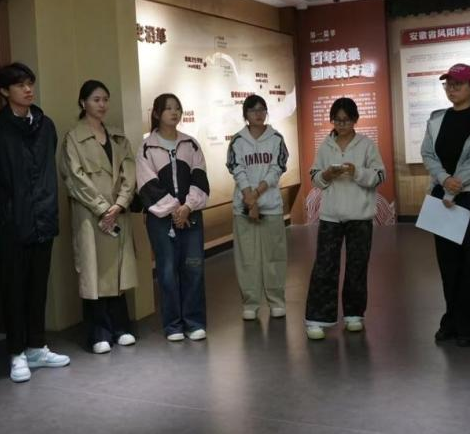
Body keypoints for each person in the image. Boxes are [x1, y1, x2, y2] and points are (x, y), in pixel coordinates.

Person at [0, 62, 69, 383]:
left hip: (44, 219)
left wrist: (45, 206)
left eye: (30, 83)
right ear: (4, 91)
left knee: (39, 287)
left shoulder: (45, 125)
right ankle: (16, 352)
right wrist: (8, 210)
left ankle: (36, 346)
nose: (28, 89)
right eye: (20, 85)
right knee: (13, 289)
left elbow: (47, 170)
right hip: (12, 224)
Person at [59, 80, 139, 354]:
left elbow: (130, 173)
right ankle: (99, 332)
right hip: (91, 216)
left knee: (117, 271)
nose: (102, 104)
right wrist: (103, 209)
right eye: (96, 99)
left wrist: (119, 205)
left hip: (117, 214)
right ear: (83, 103)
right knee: (93, 273)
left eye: (105, 99)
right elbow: (74, 177)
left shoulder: (118, 137)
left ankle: (121, 327)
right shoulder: (73, 138)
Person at [420, 63, 470, 347]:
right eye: (448, 84)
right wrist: (444, 179)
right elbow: (427, 153)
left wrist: (454, 184)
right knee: (448, 263)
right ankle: (452, 321)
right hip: (442, 194)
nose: (452, 89)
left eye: (458, 84)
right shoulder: (436, 118)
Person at [304, 97, 385, 340]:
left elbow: (379, 176)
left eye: (346, 120)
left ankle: (354, 314)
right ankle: (317, 318)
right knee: (324, 266)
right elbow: (315, 178)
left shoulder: (366, 145)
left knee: (357, 266)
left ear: (355, 120)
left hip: (360, 216)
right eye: (337, 120)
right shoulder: (325, 146)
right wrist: (327, 174)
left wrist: (356, 172)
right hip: (330, 216)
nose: (341, 125)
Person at [136, 93, 210, 341]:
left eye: (177, 108)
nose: (174, 112)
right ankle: (173, 325)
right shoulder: (147, 147)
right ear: (157, 113)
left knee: (194, 268)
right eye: (168, 108)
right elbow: (146, 184)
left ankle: (194, 322)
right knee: (167, 272)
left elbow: (200, 177)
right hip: (160, 220)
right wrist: (174, 209)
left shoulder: (191, 144)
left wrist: (187, 207)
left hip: (191, 216)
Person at [225, 95, 290, 321]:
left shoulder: (276, 139)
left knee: (274, 256)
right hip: (243, 208)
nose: (258, 114)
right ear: (246, 114)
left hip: (270, 205)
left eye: (262, 109)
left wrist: (256, 194)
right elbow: (237, 169)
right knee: (247, 257)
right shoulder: (237, 141)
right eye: (253, 110)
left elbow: (276, 169)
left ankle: (276, 301)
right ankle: (250, 303)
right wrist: (249, 198)